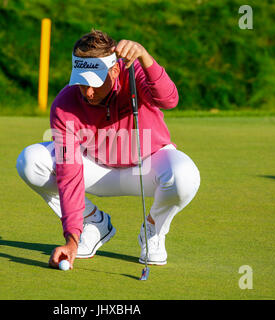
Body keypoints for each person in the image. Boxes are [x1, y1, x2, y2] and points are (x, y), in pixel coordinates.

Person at [17, 30, 200, 269]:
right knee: (31, 161)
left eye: (94, 83)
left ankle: (153, 230)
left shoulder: (134, 74)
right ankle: (93, 222)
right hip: (94, 169)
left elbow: (169, 100)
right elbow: (68, 171)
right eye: (81, 83)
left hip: (147, 168)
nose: (88, 92)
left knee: (185, 175)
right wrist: (71, 238)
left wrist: (146, 58)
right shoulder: (65, 104)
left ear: (114, 71)